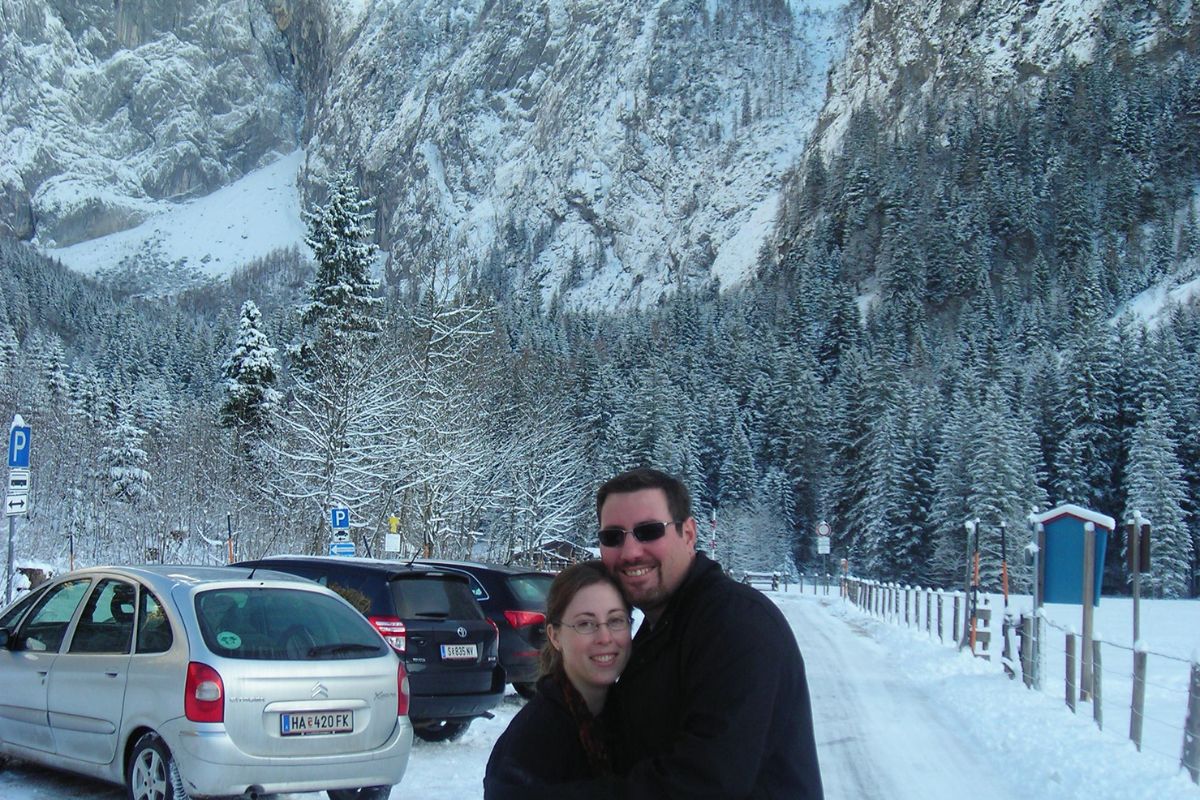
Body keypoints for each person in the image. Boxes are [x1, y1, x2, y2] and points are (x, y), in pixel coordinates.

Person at [594, 466, 824, 799]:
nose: (630, 552)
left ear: (688, 534)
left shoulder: (736, 625)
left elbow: (701, 784)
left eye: (648, 531)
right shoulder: (662, 626)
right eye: (613, 536)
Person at [483, 560, 632, 798]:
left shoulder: (634, 720)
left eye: (616, 620)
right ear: (555, 636)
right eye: (585, 623)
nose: (605, 637)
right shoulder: (530, 745)